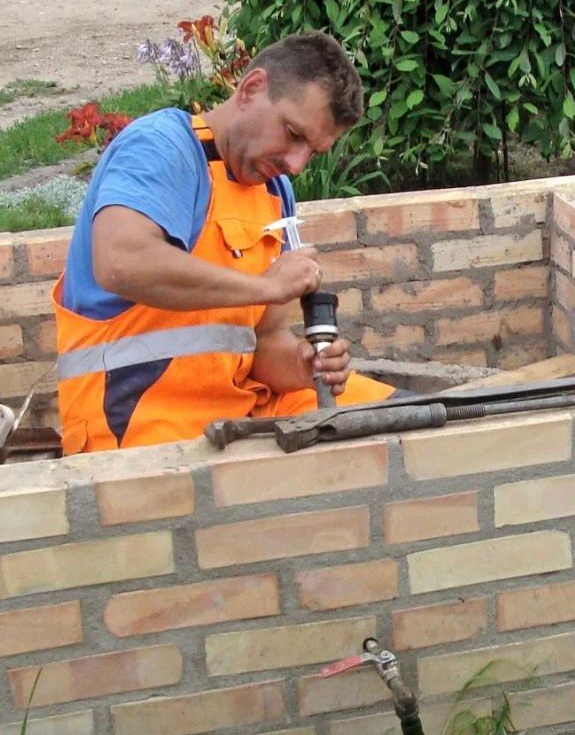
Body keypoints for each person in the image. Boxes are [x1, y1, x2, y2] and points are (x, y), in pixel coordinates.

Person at [52, 31, 394, 454]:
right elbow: (120, 261)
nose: (296, 164)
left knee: (403, 419)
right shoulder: (162, 148)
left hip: (237, 411)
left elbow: (264, 344)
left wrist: (305, 367)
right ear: (251, 88)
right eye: (292, 133)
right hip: (136, 422)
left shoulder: (273, 189)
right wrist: (268, 285)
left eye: (313, 152)